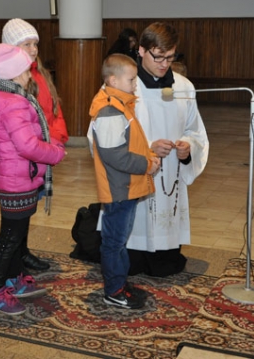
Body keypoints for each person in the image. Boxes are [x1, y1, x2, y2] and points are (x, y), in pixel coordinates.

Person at [0, 43, 66, 316]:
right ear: (16, 73)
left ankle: (13, 280)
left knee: (16, 236)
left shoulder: (8, 95)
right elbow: (27, 145)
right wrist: (55, 153)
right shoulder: (12, 102)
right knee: (9, 238)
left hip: (18, 175)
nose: (31, 75)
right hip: (16, 179)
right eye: (27, 71)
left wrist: (50, 143)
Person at [127, 22, 209, 277]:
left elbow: (195, 130)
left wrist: (187, 148)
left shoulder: (183, 86)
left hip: (170, 176)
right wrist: (147, 147)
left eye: (170, 57)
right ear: (142, 51)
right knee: (131, 263)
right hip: (137, 172)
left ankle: (164, 255)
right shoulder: (124, 84)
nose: (164, 64)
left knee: (166, 266)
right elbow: (104, 133)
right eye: (158, 57)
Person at [88, 54, 160, 309]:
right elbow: (114, 155)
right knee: (114, 242)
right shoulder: (109, 110)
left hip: (125, 186)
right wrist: (146, 165)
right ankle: (113, 290)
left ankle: (120, 283)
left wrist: (148, 155)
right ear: (113, 80)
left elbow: (132, 143)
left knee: (119, 241)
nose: (135, 84)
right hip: (118, 188)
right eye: (131, 79)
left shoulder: (121, 104)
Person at [0, 18, 69, 271]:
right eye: (26, 44)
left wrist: (56, 139)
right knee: (17, 215)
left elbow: (54, 109)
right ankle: (14, 256)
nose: (33, 49)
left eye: (35, 44)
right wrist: (44, 144)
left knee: (28, 209)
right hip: (24, 157)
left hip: (43, 151)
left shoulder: (39, 73)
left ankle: (23, 250)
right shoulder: (11, 80)